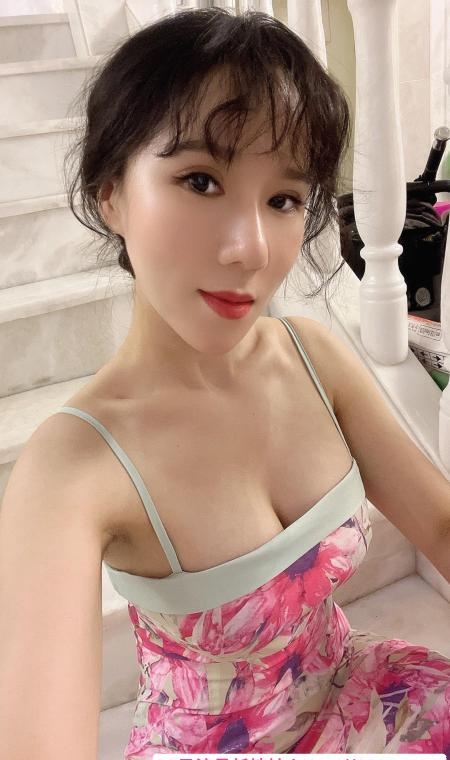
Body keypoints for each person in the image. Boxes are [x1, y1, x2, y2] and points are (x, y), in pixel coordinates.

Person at [0, 8, 449, 760]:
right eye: (200, 180)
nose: (250, 249)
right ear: (111, 194)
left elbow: (439, 526)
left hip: (363, 694)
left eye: (284, 199)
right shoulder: (73, 466)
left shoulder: (312, 357)